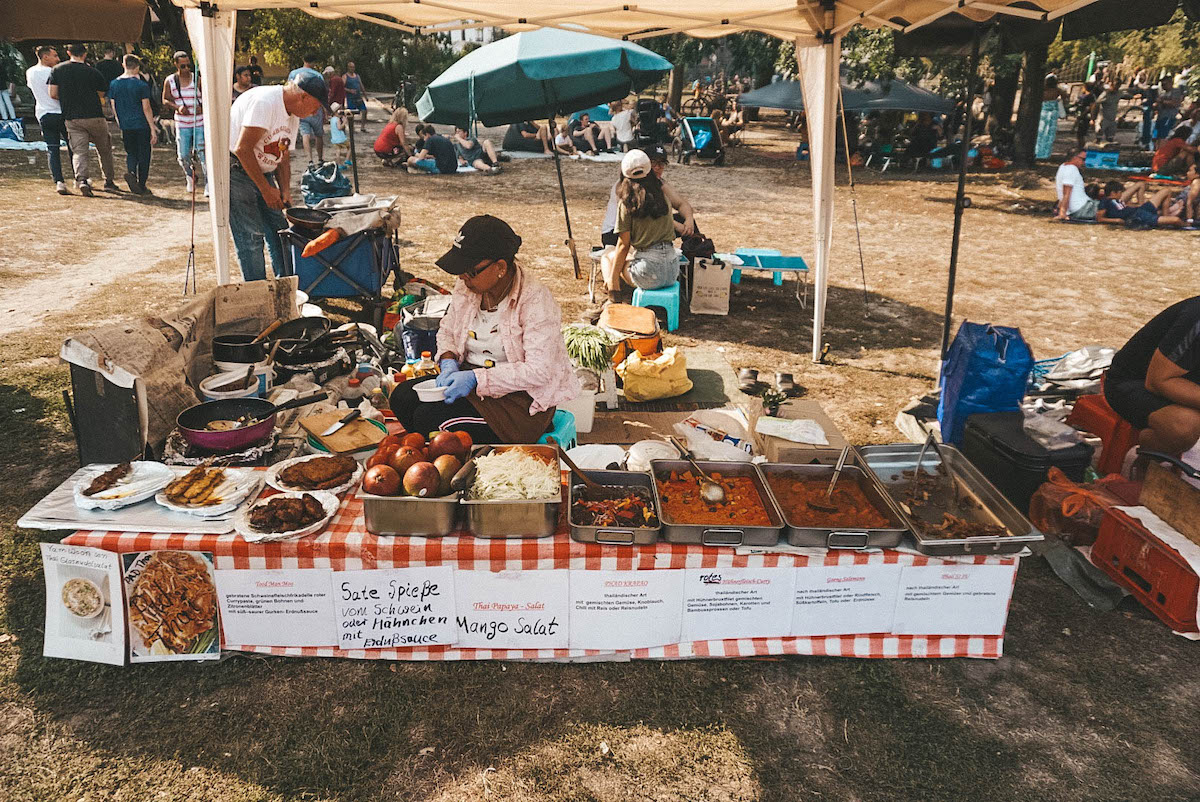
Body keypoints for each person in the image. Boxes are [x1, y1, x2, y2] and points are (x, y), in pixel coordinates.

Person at [387, 215, 579, 444]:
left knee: (430, 419)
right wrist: (448, 361)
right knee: (402, 397)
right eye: (461, 271)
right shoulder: (468, 288)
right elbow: (447, 330)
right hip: (472, 385)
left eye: (471, 271)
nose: (462, 278)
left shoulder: (535, 301)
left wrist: (475, 379)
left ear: (500, 267)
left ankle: (456, 465)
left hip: (519, 404)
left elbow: (538, 371)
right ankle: (434, 459)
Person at [229, 71, 326, 281]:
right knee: (251, 236)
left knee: (279, 229)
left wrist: (284, 190)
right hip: (235, 169)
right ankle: (258, 293)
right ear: (303, 97)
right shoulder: (265, 103)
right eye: (316, 107)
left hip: (263, 171)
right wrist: (265, 189)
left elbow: (283, 156)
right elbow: (242, 149)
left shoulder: (294, 114)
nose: (314, 113)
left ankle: (286, 285)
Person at [1106, 296, 1200, 457]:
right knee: (1184, 427)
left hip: (1186, 384)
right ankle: (1145, 460)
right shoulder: (1196, 318)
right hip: (1133, 383)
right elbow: (1158, 382)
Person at [603, 149, 689, 298]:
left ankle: (613, 292)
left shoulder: (627, 203)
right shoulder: (663, 197)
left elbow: (624, 245)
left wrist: (613, 277)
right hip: (672, 270)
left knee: (610, 257)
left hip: (648, 272)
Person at [49, 43, 117, 196]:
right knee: (104, 149)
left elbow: (53, 93)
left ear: (68, 52)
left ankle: (82, 180)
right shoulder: (93, 71)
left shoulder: (58, 70)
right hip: (95, 115)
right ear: (84, 54)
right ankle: (109, 181)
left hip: (72, 116)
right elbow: (101, 93)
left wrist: (68, 97)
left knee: (79, 151)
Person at [108, 54, 157, 194]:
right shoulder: (141, 85)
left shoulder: (114, 84)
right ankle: (141, 183)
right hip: (141, 124)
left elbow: (113, 105)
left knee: (131, 152)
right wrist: (152, 128)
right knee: (144, 154)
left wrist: (119, 120)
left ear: (124, 65)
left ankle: (131, 171)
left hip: (126, 124)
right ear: (137, 67)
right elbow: (146, 107)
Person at [26, 46, 71, 195]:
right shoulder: (55, 72)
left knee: (52, 148)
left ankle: (59, 181)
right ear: (45, 57)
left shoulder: (30, 72)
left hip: (43, 112)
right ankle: (79, 177)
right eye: (55, 56)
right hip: (61, 112)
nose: (58, 59)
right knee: (73, 147)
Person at [162, 50, 206, 195]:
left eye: (188, 65)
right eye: (183, 66)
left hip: (199, 121)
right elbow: (165, 99)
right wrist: (177, 107)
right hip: (182, 122)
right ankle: (190, 175)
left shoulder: (197, 79)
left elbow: (207, 97)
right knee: (183, 155)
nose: (187, 69)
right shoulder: (170, 81)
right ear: (176, 65)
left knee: (202, 151)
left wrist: (202, 107)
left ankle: (208, 183)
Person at [1096, 180, 1184, 228]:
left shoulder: (1117, 201)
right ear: (1113, 193)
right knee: (1176, 220)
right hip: (1138, 216)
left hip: (1140, 210)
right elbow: (1099, 218)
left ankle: (1166, 216)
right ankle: (1181, 223)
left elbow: (1124, 208)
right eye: (1119, 192)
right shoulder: (1105, 201)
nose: (1121, 194)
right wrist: (1116, 221)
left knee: (1166, 191)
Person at [289, 55, 325, 166]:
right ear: (313, 63)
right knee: (319, 135)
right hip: (315, 109)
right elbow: (322, 94)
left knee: (305, 134)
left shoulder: (293, 74)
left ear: (303, 61)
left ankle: (309, 160)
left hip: (300, 109)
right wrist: (325, 110)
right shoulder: (318, 75)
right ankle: (320, 159)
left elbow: (289, 90)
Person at [1054, 150, 1098, 221]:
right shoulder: (1071, 169)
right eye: (1083, 159)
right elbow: (1066, 193)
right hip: (1083, 209)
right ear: (1074, 157)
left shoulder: (1063, 166)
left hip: (1080, 208)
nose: (1084, 162)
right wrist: (1062, 213)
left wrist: (1058, 208)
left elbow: (1062, 192)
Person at [1037, 74, 1067, 160]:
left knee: (1040, 132)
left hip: (1043, 111)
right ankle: (1046, 154)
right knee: (1049, 133)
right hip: (1053, 113)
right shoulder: (1057, 90)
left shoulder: (1042, 90)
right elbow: (1065, 97)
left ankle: (1038, 152)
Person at [1154, 75, 1185, 148]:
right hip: (1160, 116)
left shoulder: (1176, 91)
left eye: (1165, 84)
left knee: (1163, 135)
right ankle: (1156, 149)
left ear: (1170, 83)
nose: (1163, 86)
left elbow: (1175, 103)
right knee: (1156, 134)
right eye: (1162, 85)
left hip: (1169, 116)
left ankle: (1161, 151)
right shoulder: (1162, 93)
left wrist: (1162, 101)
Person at [1095, 76, 1123, 143]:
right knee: (1099, 136)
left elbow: (1125, 95)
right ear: (1111, 85)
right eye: (1115, 86)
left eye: (1118, 87)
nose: (1116, 88)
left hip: (1112, 118)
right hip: (1103, 118)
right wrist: (1093, 118)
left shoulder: (1118, 93)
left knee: (1110, 138)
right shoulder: (1105, 94)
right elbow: (1096, 103)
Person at [343, 62, 367, 130]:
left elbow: (361, 85)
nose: (352, 69)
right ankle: (352, 128)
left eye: (353, 67)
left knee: (364, 111)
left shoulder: (357, 76)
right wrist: (349, 90)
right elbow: (342, 87)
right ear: (348, 67)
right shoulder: (345, 76)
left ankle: (362, 127)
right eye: (351, 67)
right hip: (350, 98)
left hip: (358, 97)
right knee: (351, 113)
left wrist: (365, 95)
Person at [1075, 82, 1097, 150]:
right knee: (1079, 133)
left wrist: (1083, 114)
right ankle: (1080, 146)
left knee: (1081, 134)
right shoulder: (1086, 96)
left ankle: (1081, 147)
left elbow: (1090, 107)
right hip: (1081, 115)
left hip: (1084, 117)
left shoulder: (1089, 96)